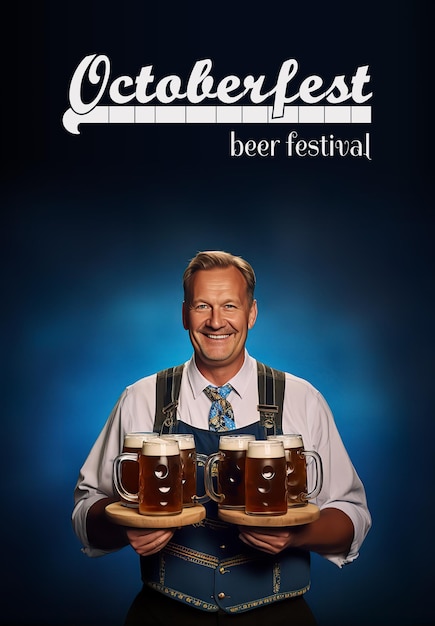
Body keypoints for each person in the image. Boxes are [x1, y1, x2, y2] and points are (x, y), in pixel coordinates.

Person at [72, 250, 371, 625]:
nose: (216, 321)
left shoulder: (302, 397)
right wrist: (124, 527)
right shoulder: (141, 397)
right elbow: (87, 508)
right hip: (163, 616)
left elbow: (353, 517)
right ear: (185, 315)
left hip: (279, 618)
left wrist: (296, 536)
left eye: (230, 305)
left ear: (252, 313)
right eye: (202, 306)